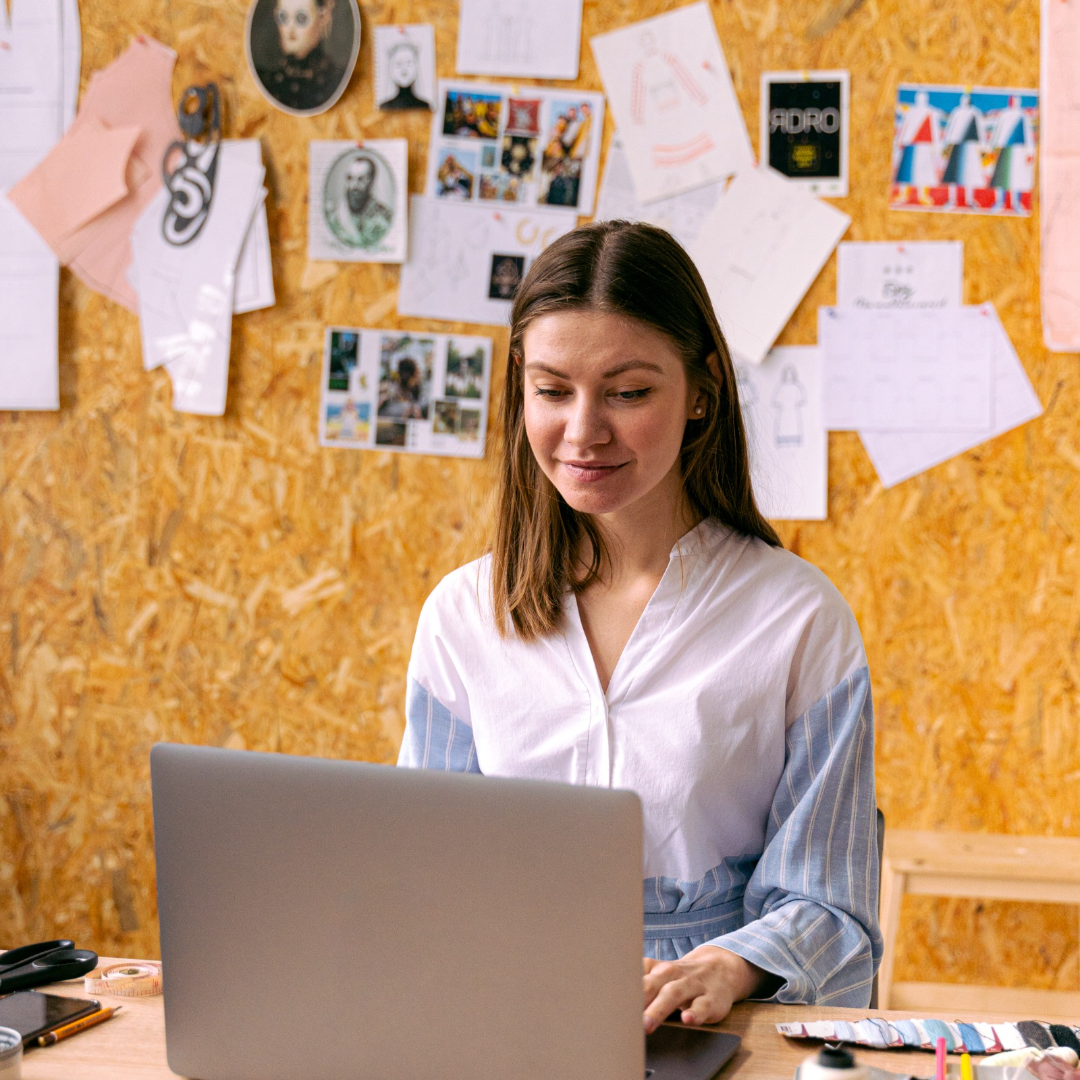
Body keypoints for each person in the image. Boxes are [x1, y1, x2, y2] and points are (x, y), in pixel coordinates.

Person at [398, 221, 881, 1028]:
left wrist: (730, 966)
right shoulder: (462, 615)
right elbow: (421, 871)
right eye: (553, 391)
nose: (584, 431)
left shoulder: (799, 620)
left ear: (702, 390)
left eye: (627, 393)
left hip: (714, 1030)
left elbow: (832, 910)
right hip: (505, 1017)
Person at [260, 0, 349, 114]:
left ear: (323, 18)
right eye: (283, 17)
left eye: (301, 18)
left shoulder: (336, 79)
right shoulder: (268, 81)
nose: (290, 29)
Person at [326, 153, 393, 249]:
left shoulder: (384, 218)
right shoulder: (334, 215)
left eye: (361, 179)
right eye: (350, 178)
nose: (354, 185)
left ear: (371, 182)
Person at [379, 40, 430, 111]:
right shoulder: (384, 106)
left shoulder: (425, 106)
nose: (404, 69)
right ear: (391, 70)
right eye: (398, 64)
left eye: (409, 63)